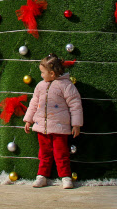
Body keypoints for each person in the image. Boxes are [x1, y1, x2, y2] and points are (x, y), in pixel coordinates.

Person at [24, 54, 83, 189]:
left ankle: (66, 177)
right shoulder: (40, 86)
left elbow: (75, 104)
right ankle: (42, 176)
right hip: (41, 127)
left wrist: (76, 124)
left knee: (61, 153)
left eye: (42, 72)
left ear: (51, 73)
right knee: (44, 153)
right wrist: (28, 120)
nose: (41, 75)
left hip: (59, 127)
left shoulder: (66, 85)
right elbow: (34, 103)